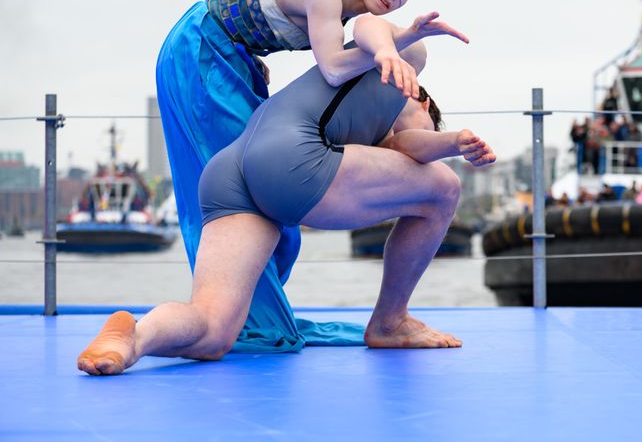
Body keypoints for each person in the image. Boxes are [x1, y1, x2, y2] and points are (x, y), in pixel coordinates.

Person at [77, 48, 496, 376]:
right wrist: (452, 142)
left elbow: (399, 145)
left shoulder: (348, 93)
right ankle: (390, 320)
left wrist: (449, 143)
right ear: (420, 97)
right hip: (288, 166)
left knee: (214, 331)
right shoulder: (395, 77)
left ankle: (134, 338)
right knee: (444, 187)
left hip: (229, 171)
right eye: (429, 123)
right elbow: (408, 144)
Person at [155, 0, 467, 351]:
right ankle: (254, 319)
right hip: (202, 50)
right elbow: (335, 68)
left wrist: (247, 56)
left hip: (232, 55)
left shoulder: (352, 14)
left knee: (257, 201)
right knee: (246, 192)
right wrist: (400, 43)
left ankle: (216, 318)